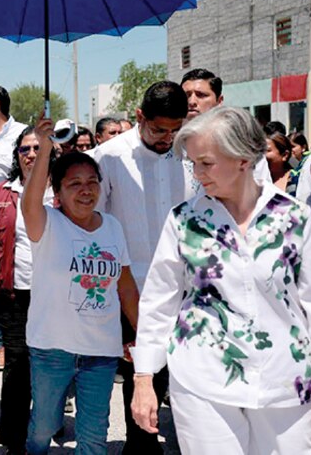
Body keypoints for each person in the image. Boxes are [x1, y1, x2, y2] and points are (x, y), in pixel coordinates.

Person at [131, 107, 311, 454]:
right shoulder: (183, 221)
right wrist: (144, 377)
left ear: (242, 158)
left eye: (205, 163)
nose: (196, 173)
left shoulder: (295, 217)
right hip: (203, 380)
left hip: (286, 382)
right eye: (192, 163)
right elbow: (159, 301)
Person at [22, 117, 141, 455]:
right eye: (74, 184)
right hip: (51, 350)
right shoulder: (46, 223)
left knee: (93, 438)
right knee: (44, 427)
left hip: (101, 352)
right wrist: (45, 148)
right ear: (57, 192)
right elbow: (29, 200)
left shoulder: (113, 227)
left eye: (92, 182)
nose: (86, 190)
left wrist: (142, 333)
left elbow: (126, 286)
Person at [90, 80, 191, 453]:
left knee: (182, 371)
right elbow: (97, 226)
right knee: (141, 373)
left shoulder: (191, 155)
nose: (167, 138)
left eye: (175, 130)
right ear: (139, 116)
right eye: (159, 129)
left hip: (185, 284)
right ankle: (142, 446)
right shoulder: (110, 158)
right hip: (130, 287)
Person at [0, 127, 49, 454]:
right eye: (24, 149)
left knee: (49, 366)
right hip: (14, 294)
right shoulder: (3, 192)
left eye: (37, 148)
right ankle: (14, 440)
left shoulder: (60, 190)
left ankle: (44, 428)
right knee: (17, 365)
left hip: (55, 296)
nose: (30, 154)